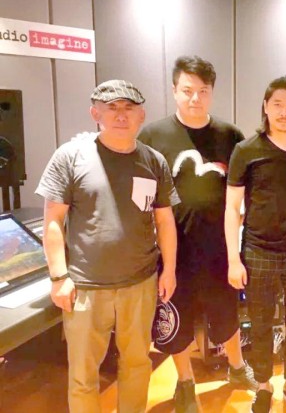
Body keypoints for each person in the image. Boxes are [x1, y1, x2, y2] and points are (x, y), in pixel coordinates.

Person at [36, 80, 179, 413]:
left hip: (140, 283)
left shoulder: (153, 161)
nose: (121, 115)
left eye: (129, 108)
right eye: (112, 108)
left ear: (142, 115)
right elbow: (53, 221)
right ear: (95, 113)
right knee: (84, 375)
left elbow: (164, 221)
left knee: (137, 364)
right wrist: (59, 277)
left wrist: (169, 269)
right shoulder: (70, 157)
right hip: (86, 287)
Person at [137, 56, 257, 413]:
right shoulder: (153, 136)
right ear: (174, 90)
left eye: (203, 91)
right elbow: (141, 196)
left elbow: (247, 188)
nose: (195, 98)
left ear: (212, 93)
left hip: (220, 247)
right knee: (175, 319)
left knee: (227, 312)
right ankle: (186, 382)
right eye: (187, 90)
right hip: (173, 250)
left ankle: (237, 368)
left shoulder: (230, 136)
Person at [225, 76, 286, 413]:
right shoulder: (246, 150)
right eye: (277, 104)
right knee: (260, 322)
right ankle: (264, 385)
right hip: (258, 251)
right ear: (265, 107)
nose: (284, 112)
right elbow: (232, 207)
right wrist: (233, 259)